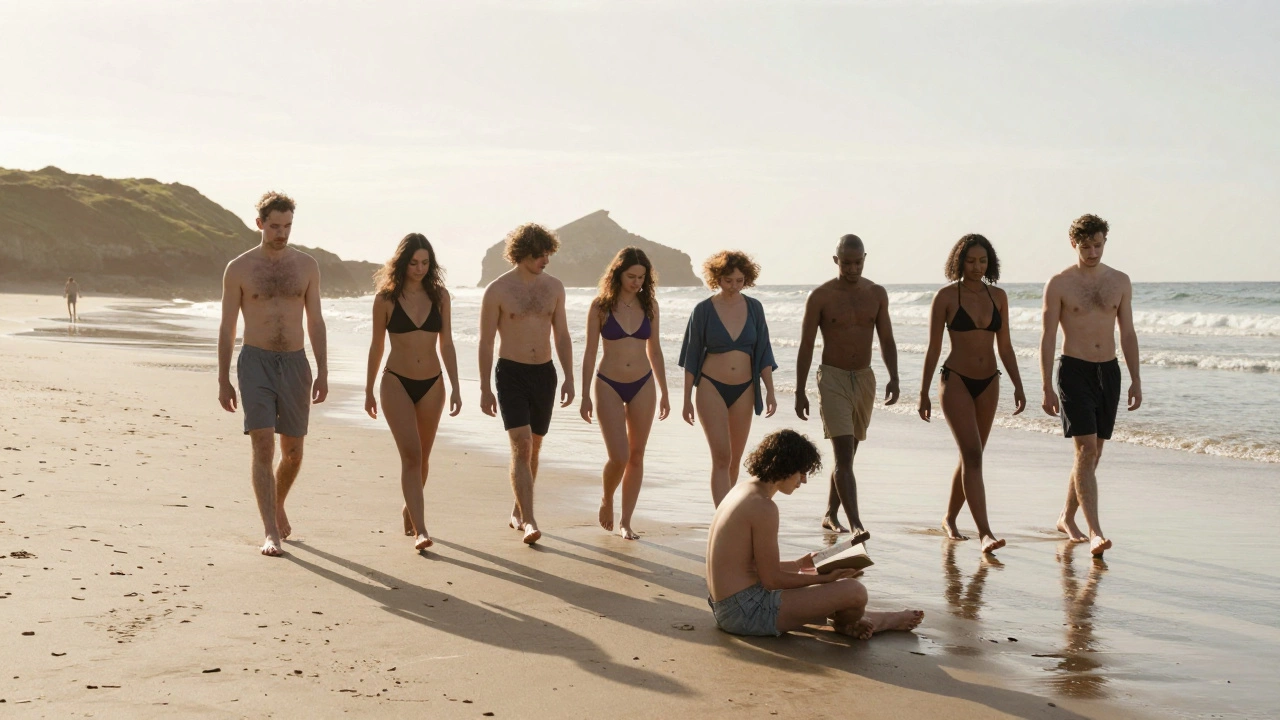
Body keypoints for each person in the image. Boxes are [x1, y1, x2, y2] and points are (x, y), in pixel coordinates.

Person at [706, 429, 924, 639]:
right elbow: (771, 580)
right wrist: (825, 578)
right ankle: (859, 622)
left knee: (818, 576)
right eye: (802, 472)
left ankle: (858, 616)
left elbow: (747, 567)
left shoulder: (741, 491)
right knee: (855, 591)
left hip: (727, 607)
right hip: (745, 613)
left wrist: (800, 564)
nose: (803, 480)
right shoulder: (763, 507)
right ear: (785, 466)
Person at [217, 192, 327, 557]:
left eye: (288, 226)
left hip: (296, 363)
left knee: (293, 452)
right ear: (260, 223)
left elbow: (315, 321)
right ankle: (269, 532)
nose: (282, 233)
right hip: (255, 362)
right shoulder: (239, 268)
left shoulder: (307, 266)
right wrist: (223, 378)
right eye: (275, 226)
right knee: (262, 443)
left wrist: (324, 370)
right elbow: (227, 327)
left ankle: (277, 503)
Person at [918, 234, 1026, 555]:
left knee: (971, 455)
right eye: (970, 260)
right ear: (959, 261)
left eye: (982, 261)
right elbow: (934, 347)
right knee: (974, 456)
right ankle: (985, 534)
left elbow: (1004, 346)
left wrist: (1019, 384)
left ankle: (949, 518)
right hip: (957, 382)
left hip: (990, 382)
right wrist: (923, 393)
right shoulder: (947, 297)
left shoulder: (999, 297)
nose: (977, 267)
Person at [1040, 214, 1141, 557]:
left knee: (1093, 453)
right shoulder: (1059, 284)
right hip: (1074, 371)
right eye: (1086, 246)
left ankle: (1065, 517)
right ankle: (1096, 531)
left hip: (1108, 372)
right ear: (1074, 245)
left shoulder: (1121, 281)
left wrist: (1136, 379)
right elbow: (1048, 335)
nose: (1092, 251)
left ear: (1104, 241)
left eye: (1098, 245)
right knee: (1084, 450)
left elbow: (1127, 333)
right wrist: (1045, 386)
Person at [795, 234, 900, 541]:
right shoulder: (820, 297)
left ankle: (830, 513)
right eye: (846, 262)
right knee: (843, 455)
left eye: (858, 262)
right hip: (833, 378)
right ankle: (856, 524)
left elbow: (886, 339)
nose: (853, 268)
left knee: (848, 456)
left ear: (865, 258)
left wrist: (894, 376)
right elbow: (806, 345)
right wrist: (800, 390)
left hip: (864, 378)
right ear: (835, 260)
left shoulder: (877, 293)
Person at [364, 233, 462, 552]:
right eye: (413, 263)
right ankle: (421, 530)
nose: (419, 269)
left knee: (424, 459)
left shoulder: (440, 297)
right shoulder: (386, 299)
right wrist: (368, 390)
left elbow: (446, 344)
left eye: (425, 262)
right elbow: (377, 346)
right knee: (412, 455)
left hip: (433, 383)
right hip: (396, 382)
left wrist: (457, 385)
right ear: (402, 263)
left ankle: (410, 507)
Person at [479, 223, 574, 545]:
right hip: (511, 373)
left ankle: (519, 509)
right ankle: (530, 521)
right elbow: (485, 342)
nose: (545, 261)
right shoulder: (497, 290)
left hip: (544, 373)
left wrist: (570, 377)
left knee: (534, 446)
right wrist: (483, 387)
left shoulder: (555, 287)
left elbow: (561, 335)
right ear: (521, 254)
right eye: (540, 256)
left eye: (548, 254)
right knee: (521, 445)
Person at [579, 247, 671, 540]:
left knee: (637, 455)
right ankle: (607, 498)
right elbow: (590, 352)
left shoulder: (650, 306)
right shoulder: (600, 306)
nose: (637, 282)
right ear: (618, 274)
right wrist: (583, 394)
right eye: (631, 276)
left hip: (643, 383)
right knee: (618, 456)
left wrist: (665, 392)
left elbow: (654, 350)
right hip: (608, 383)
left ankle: (626, 521)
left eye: (642, 277)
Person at [679, 251, 778, 507]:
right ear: (716, 279)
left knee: (734, 459)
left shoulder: (755, 308)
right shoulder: (703, 310)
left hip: (745, 389)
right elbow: (691, 356)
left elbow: (764, 351)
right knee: (721, 457)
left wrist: (770, 391)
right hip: (711, 386)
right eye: (728, 280)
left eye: (739, 280)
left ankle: (727, 517)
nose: (734, 286)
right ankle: (721, 520)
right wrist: (686, 399)